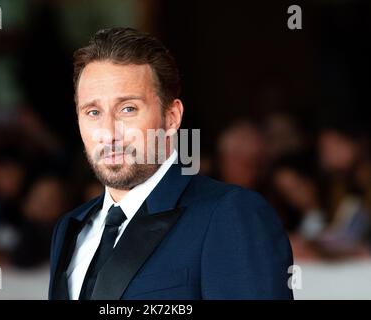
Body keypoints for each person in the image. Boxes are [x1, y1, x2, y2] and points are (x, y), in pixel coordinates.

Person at [48, 27, 293, 300]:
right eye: (93, 112)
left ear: (172, 117)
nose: (108, 132)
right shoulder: (71, 227)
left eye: (128, 109)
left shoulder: (229, 215)